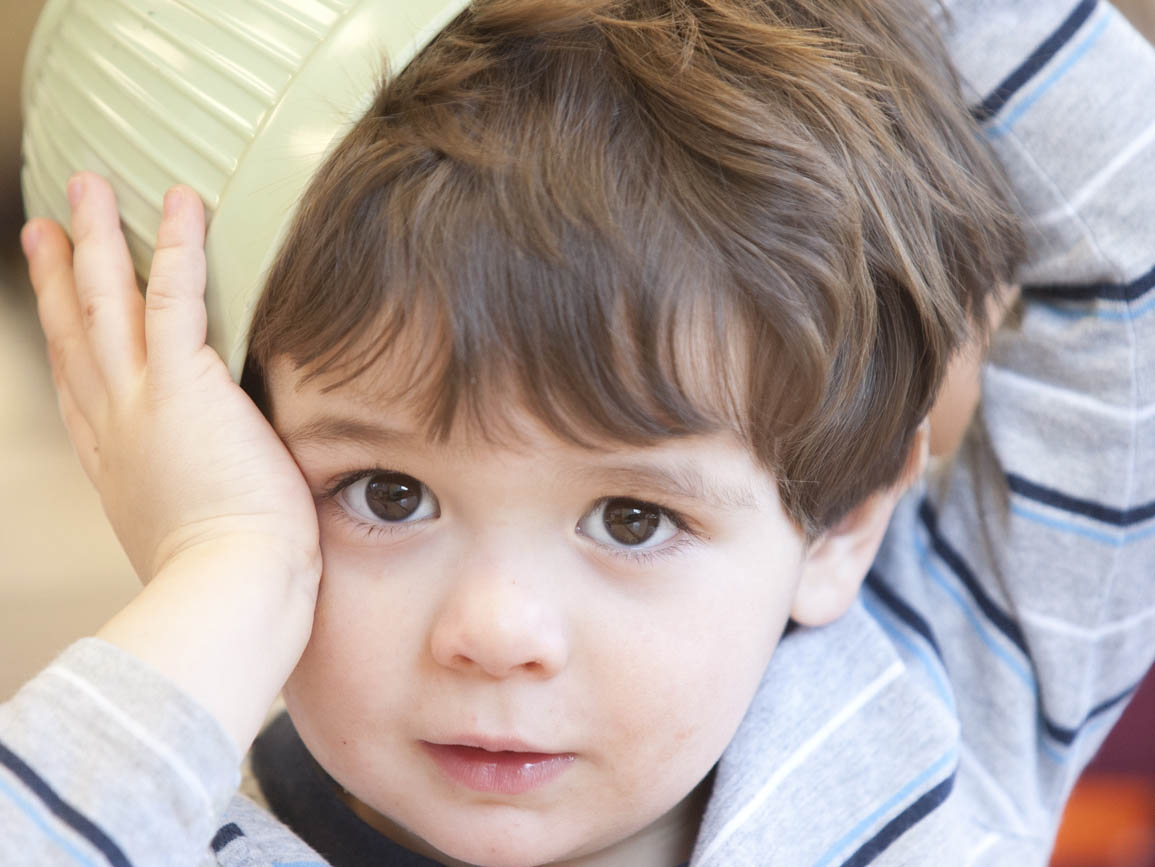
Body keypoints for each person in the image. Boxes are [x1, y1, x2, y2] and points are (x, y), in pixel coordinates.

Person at [4, 0, 1154, 864]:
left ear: (839, 521)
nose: (497, 633)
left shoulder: (947, 693)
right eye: (386, 494)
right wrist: (219, 570)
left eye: (633, 516)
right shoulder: (163, 829)